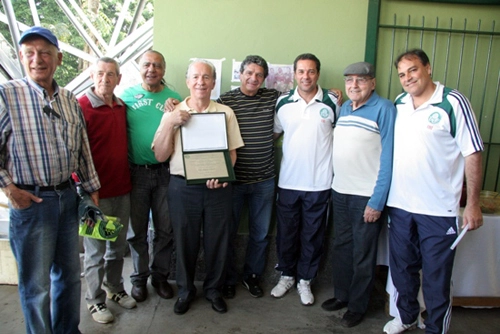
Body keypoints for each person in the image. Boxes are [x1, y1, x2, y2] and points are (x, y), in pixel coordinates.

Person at [0, 26, 100, 333]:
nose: (37, 59)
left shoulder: (70, 99)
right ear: (21, 57)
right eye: (29, 53)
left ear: (57, 58)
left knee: (69, 276)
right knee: (36, 285)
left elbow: (82, 148)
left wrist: (92, 189)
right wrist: (9, 188)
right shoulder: (7, 95)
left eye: (44, 52)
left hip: (68, 199)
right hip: (32, 204)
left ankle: (68, 330)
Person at [383, 49, 483, 334]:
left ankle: (436, 328)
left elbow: (473, 153)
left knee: (436, 278)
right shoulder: (400, 103)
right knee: (402, 269)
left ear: (427, 68)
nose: (407, 78)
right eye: (402, 74)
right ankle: (406, 317)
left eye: (412, 70)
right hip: (400, 206)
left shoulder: (453, 101)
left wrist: (473, 204)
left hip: (439, 210)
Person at [152, 59, 244, 315]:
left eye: (206, 77)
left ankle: (214, 290)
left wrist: (223, 175)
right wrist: (171, 123)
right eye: (196, 77)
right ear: (187, 81)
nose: (201, 82)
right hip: (182, 188)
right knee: (184, 242)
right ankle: (185, 291)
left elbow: (233, 153)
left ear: (214, 82)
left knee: (218, 242)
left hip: (218, 189)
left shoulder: (225, 112)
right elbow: (160, 156)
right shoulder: (172, 112)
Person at [321, 62, 396, 327]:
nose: (354, 85)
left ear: (372, 83)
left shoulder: (384, 109)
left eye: (361, 80)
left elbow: (388, 159)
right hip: (340, 191)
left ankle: (357, 305)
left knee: (363, 253)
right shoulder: (344, 109)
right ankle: (342, 295)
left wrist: (377, 201)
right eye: (350, 80)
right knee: (342, 247)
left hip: (367, 196)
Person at [272, 53, 339, 306]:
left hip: (320, 184)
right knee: (287, 234)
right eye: (301, 71)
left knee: (313, 236)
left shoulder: (333, 102)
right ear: (294, 74)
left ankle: (305, 281)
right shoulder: (283, 103)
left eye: (311, 71)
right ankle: (287, 276)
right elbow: (275, 134)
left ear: (318, 74)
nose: (306, 76)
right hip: (288, 182)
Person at [216, 55, 281, 299]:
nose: (253, 78)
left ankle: (252, 276)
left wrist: (333, 92)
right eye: (249, 73)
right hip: (232, 181)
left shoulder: (273, 97)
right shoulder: (226, 99)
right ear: (240, 74)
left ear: (264, 78)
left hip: (264, 180)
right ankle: (230, 278)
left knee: (261, 234)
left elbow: (303, 94)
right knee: (229, 233)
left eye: (259, 75)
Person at [78, 57, 136, 324]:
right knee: (95, 251)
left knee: (117, 246)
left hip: (121, 190)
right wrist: (85, 189)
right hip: (94, 195)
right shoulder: (82, 107)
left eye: (111, 74)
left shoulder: (121, 107)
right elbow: (74, 152)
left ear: (119, 79)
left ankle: (114, 288)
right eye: (100, 73)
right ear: (92, 76)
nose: (105, 79)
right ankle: (94, 300)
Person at [120, 50, 181, 302]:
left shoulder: (175, 98)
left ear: (163, 70)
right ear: (140, 69)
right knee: (137, 232)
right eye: (147, 65)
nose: (151, 69)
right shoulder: (125, 97)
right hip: (135, 174)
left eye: (157, 65)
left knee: (165, 230)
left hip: (166, 174)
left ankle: (160, 278)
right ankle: (138, 279)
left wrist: (176, 111)